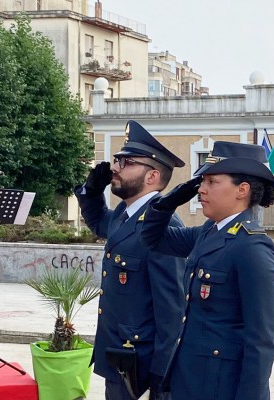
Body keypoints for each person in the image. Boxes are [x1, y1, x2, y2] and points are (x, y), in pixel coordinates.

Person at [140, 141, 274, 400]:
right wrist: (166, 204)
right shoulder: (209, 231)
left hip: (220, 387)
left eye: (212, 182)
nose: (201, 189)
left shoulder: (252, 246)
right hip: (190, 378)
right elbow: (153, 240)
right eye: (202, 181)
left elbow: (261, 340)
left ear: (242, 190)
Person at [74, 120, 187, 400]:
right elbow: (101, 223)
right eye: (117, 160)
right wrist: (92, 192)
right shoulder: (125, 215)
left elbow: (172, 309)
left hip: (141, 364)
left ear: (152, 176)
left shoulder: (162, 223)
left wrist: (161, 377)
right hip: (118, 355)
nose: (115, 168)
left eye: (126, 162)